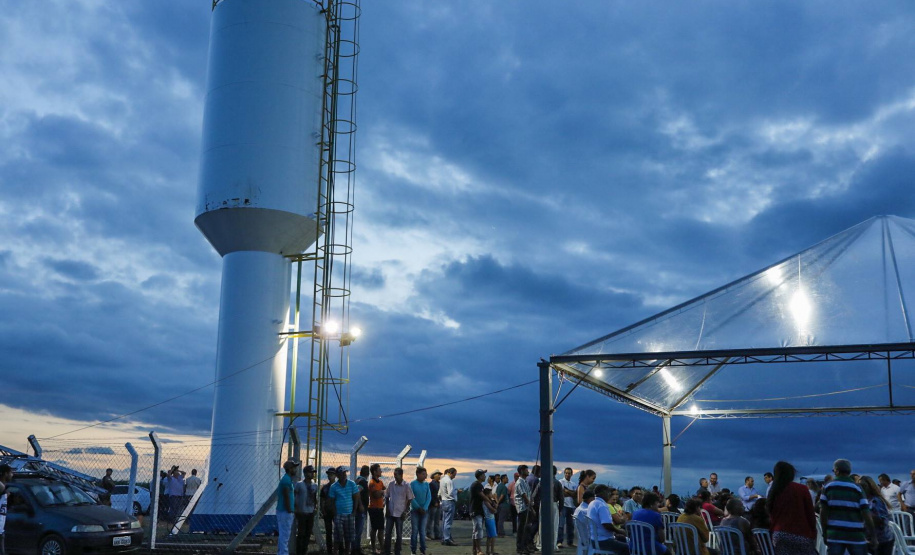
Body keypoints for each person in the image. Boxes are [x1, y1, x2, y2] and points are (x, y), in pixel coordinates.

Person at [819, 459, 877, 555]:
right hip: (856, 534)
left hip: (835, 534)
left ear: (837, 471)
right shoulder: (857, 488)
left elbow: (823, 513)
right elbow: (866, 514)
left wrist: (825, 533)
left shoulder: (828, 487)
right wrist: (873, 536)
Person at [767, 461, 816, 555]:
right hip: (802, 534)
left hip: (779, 534)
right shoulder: (802, 489)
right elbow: (810, 514)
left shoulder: (774, 490)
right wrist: (813, 533)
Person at [329, 466, 364, 555]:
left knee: (349, 537)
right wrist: (335, 513)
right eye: (342, 473)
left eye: (345, 473)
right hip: (339, 514)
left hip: (349, 514)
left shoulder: (352, 484)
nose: (344, 475)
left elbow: (356, 497)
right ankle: (335, 551)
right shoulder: (334, 487)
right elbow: (331, 501)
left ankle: (347, 552)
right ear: (338, 475)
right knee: (338, 536)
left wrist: (354, 511)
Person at [586, 485, 630, 554]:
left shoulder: (592, 503)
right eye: (609, 493)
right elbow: (607, 525)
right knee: (627, 548)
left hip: (593, 539)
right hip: (602, 541)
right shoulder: (602, 505)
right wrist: (619, 531)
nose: (609, 495)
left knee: (622, 539)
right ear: (603, 493)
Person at [858, 476, 894, 555]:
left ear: (870, 487)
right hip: (870, 537)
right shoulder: (864, 501)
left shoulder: (876, 501)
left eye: (863, 486)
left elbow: (881, 521)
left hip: (881, 539)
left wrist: (867, 517)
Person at [383, 467, 413, 555]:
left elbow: (410, 498)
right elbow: (387, 496)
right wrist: (387, 509)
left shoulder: (406, 485)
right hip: (391, 512)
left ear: (401, 475)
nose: (395, 476)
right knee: (387, 533)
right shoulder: (391, 484)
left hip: (400, 513)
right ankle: (387, 551)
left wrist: (405, 511)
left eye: (396, 475)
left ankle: (397, 551)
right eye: (394, 475)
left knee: (399, 534)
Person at [277, 459, 300, 555]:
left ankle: (281, 552)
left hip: (283, 511)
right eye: (294, 468)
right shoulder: (286, 480)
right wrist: (290, 509)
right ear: (290, 469)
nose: (295, 469)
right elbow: (286, 495)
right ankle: (284, 553)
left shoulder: (287, 479)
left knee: (283, 534)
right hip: (285, 511)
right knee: (285, 536)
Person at [294, 465, 318, 555]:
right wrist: (296, 508)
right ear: (305, 473)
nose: (312, 474)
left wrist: (315, 507)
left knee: (308, 534)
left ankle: (304, 551)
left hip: (310, 512)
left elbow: (315, 497)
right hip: (301, 512)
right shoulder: (299, 484)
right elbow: (294, 496)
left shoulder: (315, 485)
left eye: (313, 472)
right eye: (310, 472)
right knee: (301, 533)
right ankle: (299, 552)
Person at [410, 466, 431, 555]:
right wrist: (418, 507)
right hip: (415, 511)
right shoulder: (412, 484)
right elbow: (411, 497)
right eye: (423, 474)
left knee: (422, 531)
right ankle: (413, 549)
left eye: (425, 474)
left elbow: (429, 497)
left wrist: (425, 508)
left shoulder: (426, 484)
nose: (425, 476)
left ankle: (423, 549)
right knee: (414, 531)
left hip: (424, 511)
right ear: (417, 474)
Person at [514, 465, 534, 555]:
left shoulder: (525, 481)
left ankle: (525, 546)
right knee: (522, 529)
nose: (528, 471)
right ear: (522, 471)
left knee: (527, 529)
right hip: (522, 508)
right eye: (526, 470)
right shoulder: (519, 482)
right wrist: (531, 508)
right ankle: (520, 547)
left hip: (527, 508)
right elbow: (524, 496)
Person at [368, 464, 386, 555]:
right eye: (379, 470)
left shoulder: (380, 482)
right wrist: (382, 492)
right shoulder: (372, 483)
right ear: (375, 472)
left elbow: (385, 491)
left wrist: (382, 492)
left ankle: (382, 548)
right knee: (374, 528)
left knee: (381, 529)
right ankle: (373, 548)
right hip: (374, 509)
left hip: (380, 508)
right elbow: (376, 495)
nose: (381, 471)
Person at [558, 467, 576, 548]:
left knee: (570, 525)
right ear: (564, 473)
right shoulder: (560, 482)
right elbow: (561, 494)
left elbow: (575, 495)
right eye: (566, 473)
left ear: (571, 474)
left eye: (569, 473)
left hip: (571, 506)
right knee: (561, 524)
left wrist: (566, 491)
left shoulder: (573, 484)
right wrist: (570, 492)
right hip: (563, 505)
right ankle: (559, 541)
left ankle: (570, 542)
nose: (567, 474)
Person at [321, 468, 337, 554]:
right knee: (328, 532)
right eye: (329, 475)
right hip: (327, 512)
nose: (330, 476)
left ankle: (337, 548)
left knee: (338, 531)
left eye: (332, 474)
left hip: (336, 512)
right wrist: (323, 510)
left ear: (335, 476)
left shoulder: (338, 487)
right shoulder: (325, 488)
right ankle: (329, 550)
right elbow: (322, 500)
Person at [440, 468, 458, 546]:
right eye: (454, 474)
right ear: (451, 473)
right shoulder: (449, 481)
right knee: (448, 521)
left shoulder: (442, 480)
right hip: (449, 501)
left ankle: (444, 537)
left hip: (444, 501)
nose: (454, 476)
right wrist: (456, 492)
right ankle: (447, 538)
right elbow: (451, 492)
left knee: (444, 521)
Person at [355, 465, 371, 555]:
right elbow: (358, 491)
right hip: (360, 509)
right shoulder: (362, 482)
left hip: (357, 508)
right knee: (358, 530)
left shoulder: (357, 480)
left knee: (357, 529)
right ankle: (356, 549)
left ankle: (356, 547)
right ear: (368, 474)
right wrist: (360, 504)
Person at [427, 470, 442, 542]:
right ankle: (429, 534)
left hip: (438, 504)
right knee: (430, 520)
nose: (439, 476)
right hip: (433, 505)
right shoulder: (431, 484)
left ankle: (437, 534)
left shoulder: (439, 484)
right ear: (434, 475)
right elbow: (431, 494)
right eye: (438, 474)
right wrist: (434, 502)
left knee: (437, 520)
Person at [1, 463, 13, 555]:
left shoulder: (3, 489)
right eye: (10, 472)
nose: (12, 475)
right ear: (5, 473)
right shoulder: (1, 487)